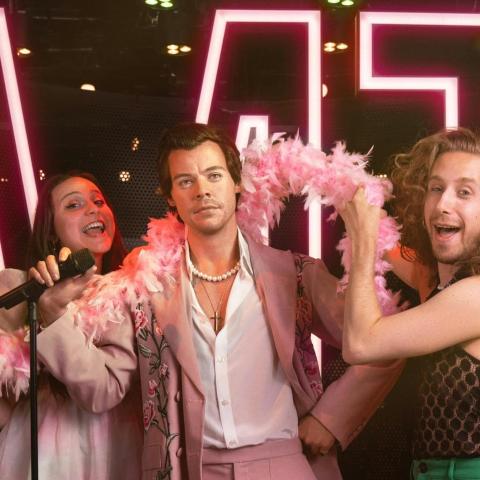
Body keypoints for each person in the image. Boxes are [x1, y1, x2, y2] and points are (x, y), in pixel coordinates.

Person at [52, 123, 402, 480]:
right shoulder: (147, 285)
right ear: (170, 197)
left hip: (282, 465)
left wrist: (332, 418)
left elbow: (382, 341)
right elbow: (102, 389)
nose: (202, 190)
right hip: (190, 470)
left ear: (236, 183)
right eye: (185, 181)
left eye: (214, 175)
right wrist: (50, 317)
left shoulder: (295, 275)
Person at [340, 127, 480, 480]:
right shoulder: (436, 280)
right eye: (436, 188)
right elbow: (386, 241)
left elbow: (360, 343)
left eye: (464, 192)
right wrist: (338, 181)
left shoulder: (475, 296)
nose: (443, 203)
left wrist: (362, 240)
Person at [0, 172, 142, 479]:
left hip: (112, 451)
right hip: (42, 453)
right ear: (51, 230)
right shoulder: (18, 293)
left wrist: (54, 314)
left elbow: (104, 392)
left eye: (98, 201)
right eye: (73, 204)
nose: (92, 209)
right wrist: (39, 307)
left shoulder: (134, 290)